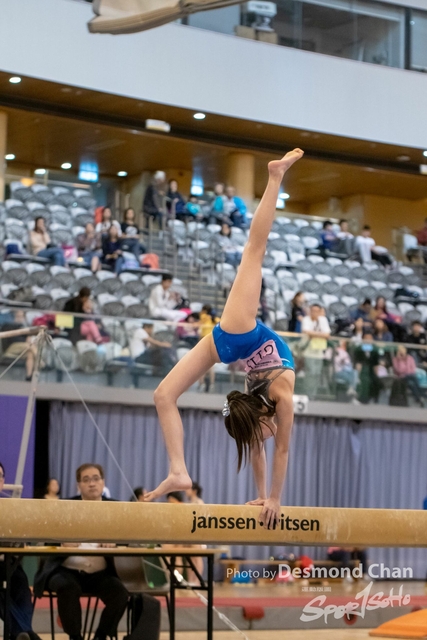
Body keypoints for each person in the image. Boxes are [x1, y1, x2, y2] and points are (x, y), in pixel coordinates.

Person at [144, 149, 304, 529]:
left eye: (256, 433)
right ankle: (178, 471)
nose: (262, 440)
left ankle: (275, 177)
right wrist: (270, 497)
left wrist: (271, 497)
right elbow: (276, 450)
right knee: (163, 396)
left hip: (237, 335)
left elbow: (276, 449)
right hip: (233, 341)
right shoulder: (277, 398)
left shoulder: (269, 399)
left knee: (254, 250)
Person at [34, 464, 129, 640]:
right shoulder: (65, 506)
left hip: (100, 574)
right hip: (66, 571)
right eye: (86, 480)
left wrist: (116, 542)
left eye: (96, 479)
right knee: (67, 588)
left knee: (120, 593)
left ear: (103, 482)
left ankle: (101, 636)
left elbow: (131, 537)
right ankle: (75, 637)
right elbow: (46, 538)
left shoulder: (117, 508)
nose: (91, 483)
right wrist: (61, 541)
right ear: (78, 485)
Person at [0, 462, 42, 640]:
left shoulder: (12, 509)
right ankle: (27, 634)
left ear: (3, 481)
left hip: (6, 563)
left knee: (21, 582)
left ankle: (20, 633)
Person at [301, 304, 331, 399]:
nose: (314, 313)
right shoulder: (306, 319)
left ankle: (313, 394)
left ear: (319, 312)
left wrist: (315, 334)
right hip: (308, 351)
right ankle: (307, 393)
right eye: (312, 310)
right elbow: (306, 332)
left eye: (316, 311)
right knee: (310, 373)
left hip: (319, 351)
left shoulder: (323, 320)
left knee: (317, 373)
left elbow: (327, 334)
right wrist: (320, 334)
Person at [0, 310, 37, 381]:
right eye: (18, 316)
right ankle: (40, 360)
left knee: (30, 353)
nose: (19, 318)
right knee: (30, 347)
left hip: (23, 348)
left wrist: (28, 336)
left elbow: (29, 338)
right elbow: (9, 338)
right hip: (12, 347)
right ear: (14, 317)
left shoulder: (25, 327)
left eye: (21, 317)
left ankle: (28, 377)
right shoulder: (8, 325)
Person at [354, 332, 382, 404]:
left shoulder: (375, 350)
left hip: (371, 370)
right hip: (362, 370)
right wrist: (357, 375)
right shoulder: (359, 349)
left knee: (376, 381)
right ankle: (362, 399)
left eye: (370, 338)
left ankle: (374, 399)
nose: (368, 340)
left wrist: (376, 375)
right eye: (366, 338)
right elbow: (358, 363)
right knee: (364, 380)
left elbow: (375, 365)